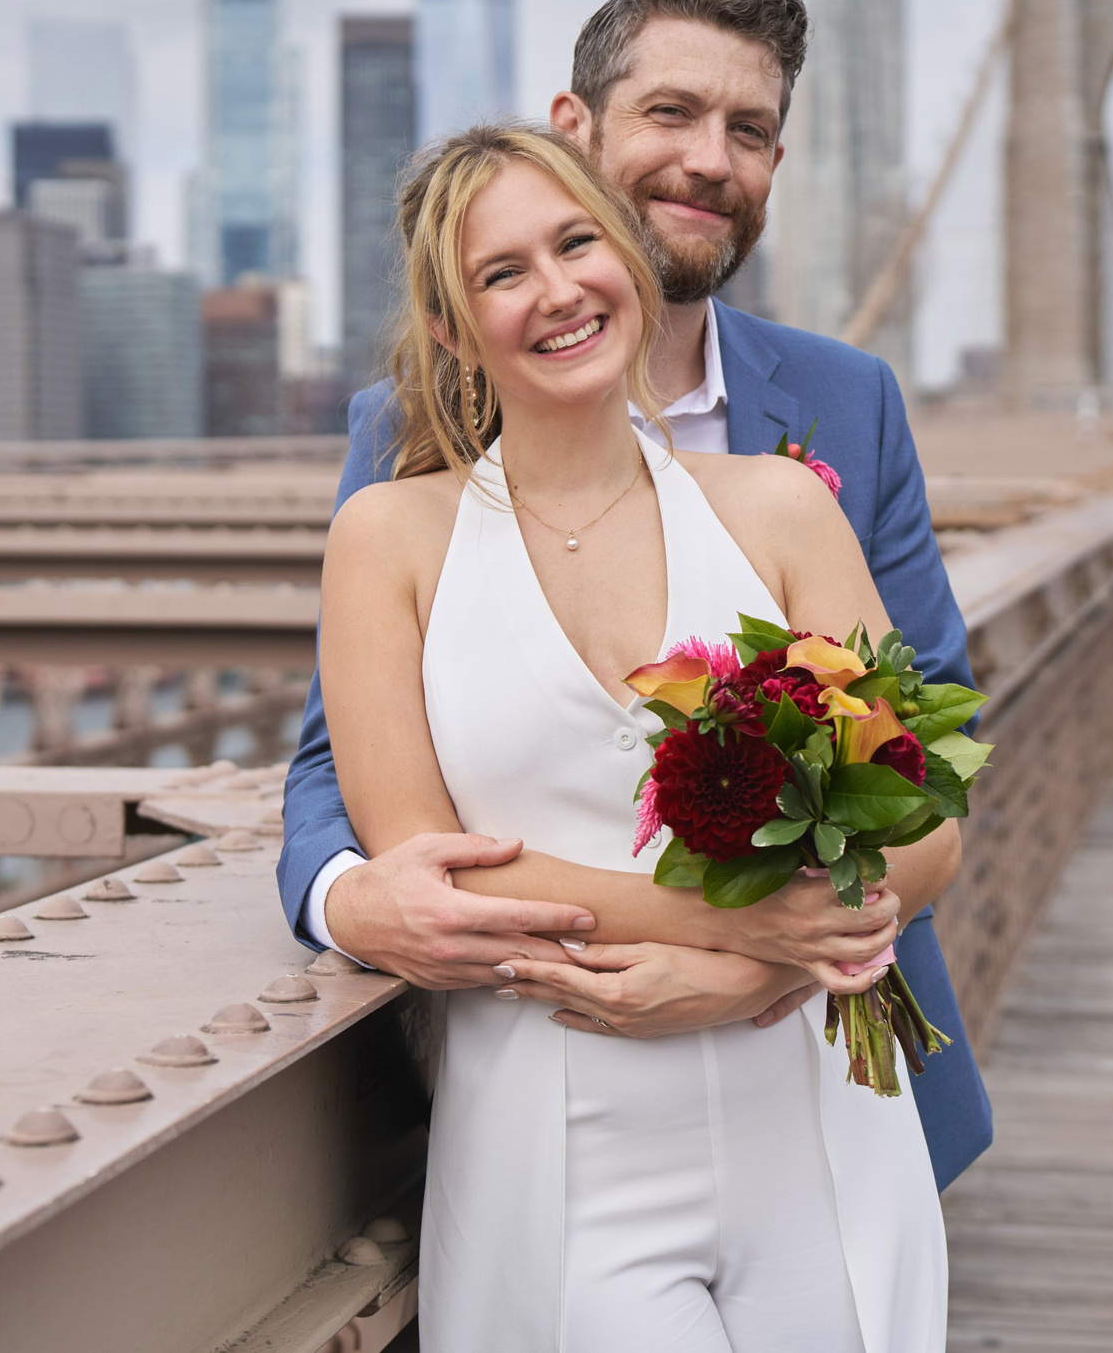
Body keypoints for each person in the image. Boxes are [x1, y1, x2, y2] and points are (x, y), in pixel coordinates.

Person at [280, 0, 995, 1189]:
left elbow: (929, 752)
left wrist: (758, 965)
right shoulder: (404, 432)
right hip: (559, 1084)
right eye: (671, 112)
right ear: (575, 131)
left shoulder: (845, 404)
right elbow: (328, 763)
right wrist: (346, 901)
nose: (710, 159)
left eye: (750, 130)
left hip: (832, 1063)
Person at [323, 122, 944, 1349]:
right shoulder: (388, 541)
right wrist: (746, 921)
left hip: (815, 1113)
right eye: (501, 275)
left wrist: (745, 977)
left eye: (575, 244)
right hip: (553, 1138)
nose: (556, 291)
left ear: (628, 259)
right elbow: (434, 864)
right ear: (450, 329)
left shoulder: (781, 509)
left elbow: (927, 833)